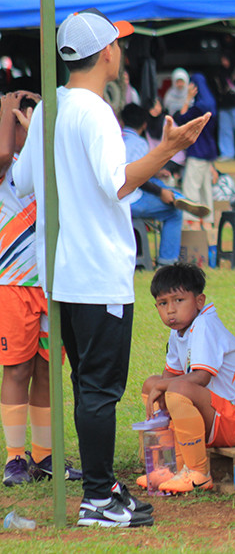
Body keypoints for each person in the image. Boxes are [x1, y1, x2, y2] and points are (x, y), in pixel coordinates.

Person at [12, 8, 209, 527]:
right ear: (106, 52)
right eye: (119, 43)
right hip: (97, 271)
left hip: (61, 274)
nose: (122, 51)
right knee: (99, 391)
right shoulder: (96, 112)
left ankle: (102, 487)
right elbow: (117, 182)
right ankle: (98, 499)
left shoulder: (52, 106)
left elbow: (23, 181)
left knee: (88, 386)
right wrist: (168, 149)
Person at [0, 90, 83, 487]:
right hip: (13, 283)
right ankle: (15, 458)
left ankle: (45, 456)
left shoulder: (49, 161)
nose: (26, 125)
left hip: (52, 282)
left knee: (48, 369)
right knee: (17, 368)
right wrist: (7, 109)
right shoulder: (5, 168)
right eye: (20, 120)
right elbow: (3, 154)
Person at [141, 263, 235, 494]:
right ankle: (170, 466)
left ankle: (198, 472)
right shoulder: (178, 331)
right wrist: (158, 388)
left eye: (179, 300)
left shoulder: (204, 324)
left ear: (199, 301)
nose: (170, 310)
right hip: (217, 415)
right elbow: (168, 378)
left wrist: (164, 386)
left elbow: (202, 377)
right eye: (163, 303)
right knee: (152, 384)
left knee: (177, 389)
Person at [121, 103, 210, 267]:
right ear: (144, 125)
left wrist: (156, 172)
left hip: (112, 197)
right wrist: (160, 192)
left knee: (156, 180)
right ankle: (167, 262)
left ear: (121, 121)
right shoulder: (140, 143)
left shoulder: (115, 139)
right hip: (130, 200)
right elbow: (137, 178)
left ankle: (176, 196)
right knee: (173, 213)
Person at [176, 72, 218, 230]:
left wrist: (187, 98)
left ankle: (191, 220)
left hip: (197, 151)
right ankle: (208, 221)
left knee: (191, 186)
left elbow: (181, 118)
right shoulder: (211, 103)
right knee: (205, 188)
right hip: (209, 151)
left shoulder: (198, 107)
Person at [212, 51, 235, 161]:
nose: (224, 62)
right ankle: (227, 154)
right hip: (224, 106)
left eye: (225, 59)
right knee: (225, 131)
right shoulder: (219, 73)